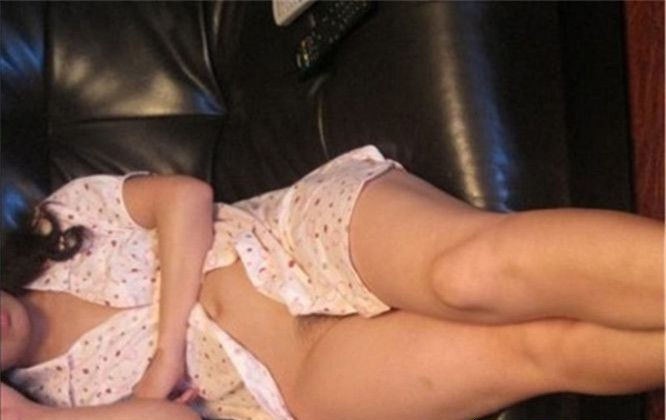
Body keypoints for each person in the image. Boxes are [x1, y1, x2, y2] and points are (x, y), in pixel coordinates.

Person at [1, 145, 663, 420]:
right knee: (538, 351)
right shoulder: (57, 405)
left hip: (295, 238)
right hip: (298, 381)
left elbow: (184, 199)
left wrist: (165, 353)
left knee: (466, 275)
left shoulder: (57, 225)